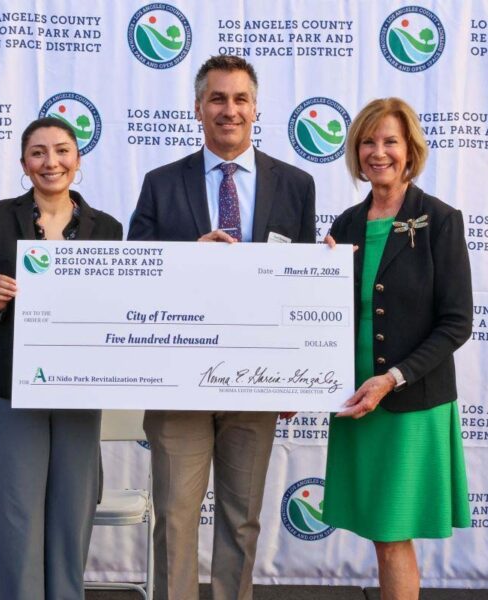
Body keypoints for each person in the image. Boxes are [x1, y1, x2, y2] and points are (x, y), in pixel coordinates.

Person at [128, 55, 315, 600]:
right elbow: (134, 272)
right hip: (177, 380)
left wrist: (295, 376)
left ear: (256, 109)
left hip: (256, 381)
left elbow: (302, 289)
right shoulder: (161, 183)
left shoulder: (296, 185)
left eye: (239, 99)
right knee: (175, 519)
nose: (228, 110)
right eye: (217, 99)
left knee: (241, 519)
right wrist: (189, 256)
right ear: (197, 109)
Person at [0, 117, 122, 600]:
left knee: (72, 515)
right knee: (14, 517)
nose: (51, 162)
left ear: (78, 158)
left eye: (62, 150)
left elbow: (118, 303)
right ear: (24, 163)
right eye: (38, 152)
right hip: (6, 386)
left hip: (77, 387)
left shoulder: (107, 228)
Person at [322, 98, 472, 600]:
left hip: (409, 400)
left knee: (391, 536)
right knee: (380, 535)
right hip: (354, 398)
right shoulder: (344, 225)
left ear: (410, 151)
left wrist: (393, 378)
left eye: (390, 141)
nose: (378, 152)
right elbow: (324, 314)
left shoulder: (440, 220)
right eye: (368, 141)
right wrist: (316, 275)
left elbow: (456, 323)